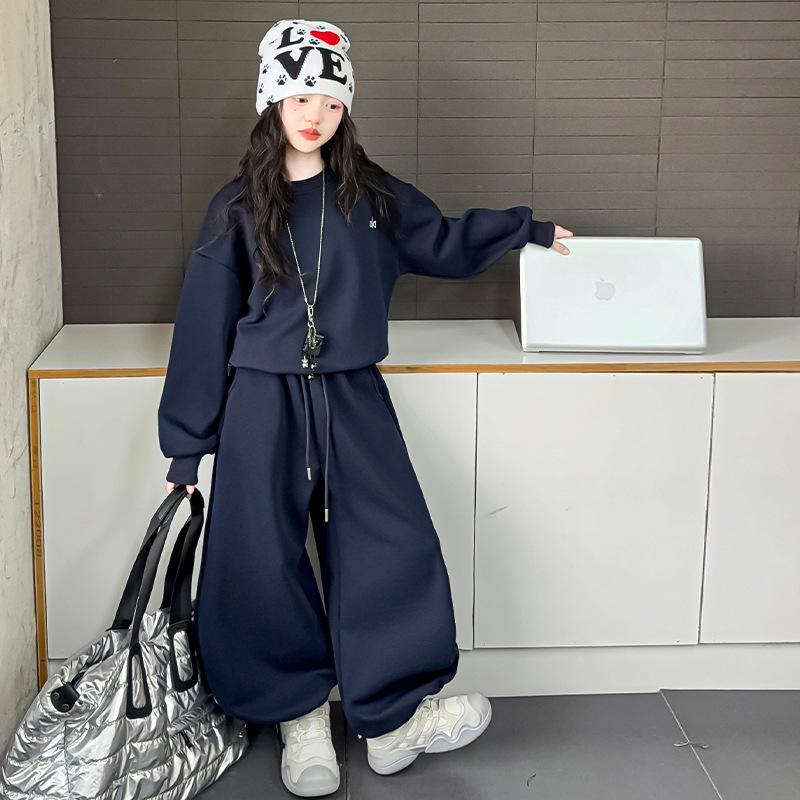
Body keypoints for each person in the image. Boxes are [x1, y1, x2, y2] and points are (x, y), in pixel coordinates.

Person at [157, 17, 573, 798]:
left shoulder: (372, 196)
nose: (314, 114)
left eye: (330, 101)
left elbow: (444, 240)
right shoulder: (237, 208)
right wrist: (187, 444)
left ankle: (389, 721)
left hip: (352, 393)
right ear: (271, 103)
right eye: (299, 98)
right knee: (259, 557)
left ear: (345, 108)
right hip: (262, 402)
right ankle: (301, 718)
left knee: (389, 544)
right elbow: (203, 326)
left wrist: (531, 230)